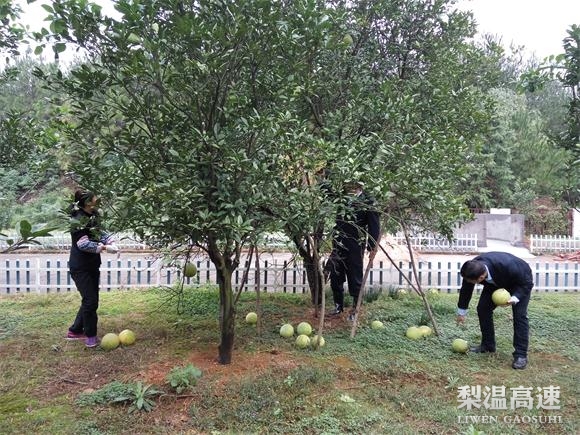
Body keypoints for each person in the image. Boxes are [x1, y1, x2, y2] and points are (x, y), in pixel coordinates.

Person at [456, 252, 533, 369]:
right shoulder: (472, 268)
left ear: (481, 278)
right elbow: (466, 289)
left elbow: (527, 283)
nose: (468, 282)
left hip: (518, 283)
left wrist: (515, 298)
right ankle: (488, 346)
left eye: (471, 281)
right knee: (483, 309)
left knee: (520, 316)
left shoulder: (510, 266)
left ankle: (521, 355)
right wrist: (462, 312)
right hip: (494, 283)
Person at [66, 190, 118, 348]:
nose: (98, 198)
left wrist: (110, 240)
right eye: (95, 197)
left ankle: (75, 331)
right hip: (80, 266)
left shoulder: (94, 214)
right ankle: (90, 336)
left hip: (92, 264)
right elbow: (83, 244)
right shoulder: (77, 219)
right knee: (90, 300)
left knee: (91, 298)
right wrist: (104, 248)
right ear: (88, 202)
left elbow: (99, 232)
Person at [325, 181, 381, 321]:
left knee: (354, 277)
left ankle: (355, 309)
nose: (349, 186)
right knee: (335, 275)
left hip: (355, 246)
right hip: (338, 244)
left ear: (360, 185)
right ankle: (338, 306)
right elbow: (330, 194)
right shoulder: (342, 198)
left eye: (353, 184)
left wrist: (372, 247)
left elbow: (374, 226)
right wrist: (324, 180)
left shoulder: (368, 202)